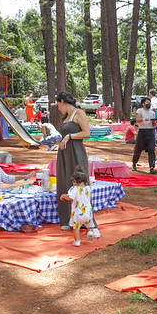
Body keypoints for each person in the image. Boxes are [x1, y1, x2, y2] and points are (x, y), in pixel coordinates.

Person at [54, 91, 94, 230]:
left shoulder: (79, 113)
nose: (58, 108)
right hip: (64, 154)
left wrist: (69, 136)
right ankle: (68, 220)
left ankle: (85, 220)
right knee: (65, 183)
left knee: (79, 184)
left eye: (58, 105)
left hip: (76, 152)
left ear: (62, 102)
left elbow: (87, 133)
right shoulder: (66, 117)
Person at [60, 165, 99, 246]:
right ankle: (90, 232)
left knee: (76, 228)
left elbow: (70, 197)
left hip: (78, 213)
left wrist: (63, 196)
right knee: (89, 224)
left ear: (74, 181)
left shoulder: (73, 189)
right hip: (88, 213)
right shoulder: (88, 188)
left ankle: (77, 241)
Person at [132, 96, 157, 174]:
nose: (149, 104)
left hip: (150, 132)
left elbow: (152, 125)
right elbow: (138, 120)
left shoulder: (152, 113)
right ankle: (134, 163)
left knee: (151, 149)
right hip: (142, 132)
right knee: (138, 149)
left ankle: (152, 167)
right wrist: (143, 119)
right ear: (143, 104)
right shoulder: (139, 111)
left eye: (149, 102)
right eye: (147, 102)